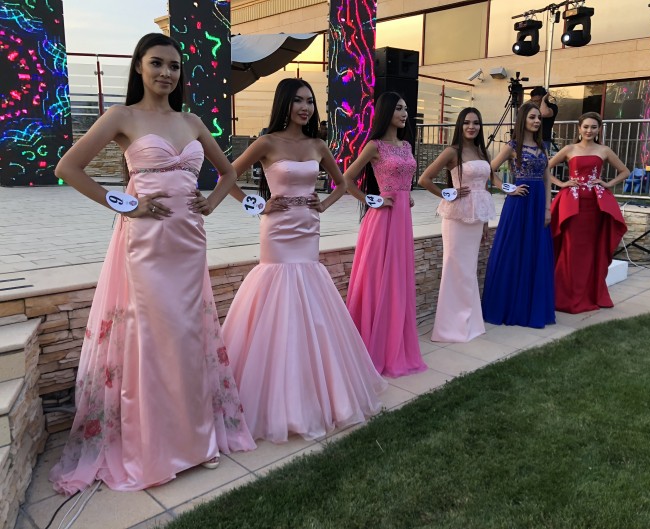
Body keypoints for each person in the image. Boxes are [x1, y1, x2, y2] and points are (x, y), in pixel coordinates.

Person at [49, 33, 255, 494]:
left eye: (174, 66)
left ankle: (197, 441)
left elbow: (229, 172)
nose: (166, 73)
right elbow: (68, 168)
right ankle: (154, 448)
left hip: (189, 242)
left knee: (188, 337)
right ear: (139, 66)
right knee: (152, 339)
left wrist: (211, 203)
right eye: (157, 63)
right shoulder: (121, 117)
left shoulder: (192, 121)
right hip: (146, 242)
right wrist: (127, 204)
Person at [220, 78, 386, 443]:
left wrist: (322, 205)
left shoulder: (317, 145)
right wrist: (255, 204)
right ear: (285, 103)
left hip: (308, 228)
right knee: (276, 293)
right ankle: (269, 395)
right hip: (277, 229)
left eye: (310, 101)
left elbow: (343, 183)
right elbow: (227, 175)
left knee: (309, 297)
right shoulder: (266, 142)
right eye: (298, 100)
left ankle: (314, 393)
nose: (305, 107)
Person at [343, 92, 427, 377]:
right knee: (379, 278)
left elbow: (404, 180)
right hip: (382, 219)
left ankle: (394, 342)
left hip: (402, 218)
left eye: (406, 109)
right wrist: (371, 200)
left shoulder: (406, 145)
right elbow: (346, 179)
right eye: (399, 108)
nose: (404, 113)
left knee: (398, 278)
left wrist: (406, 195)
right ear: (387, 111)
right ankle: (373, 343)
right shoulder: (374, 146)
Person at [418, 108, 496, 343]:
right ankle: (450, 327)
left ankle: (470, 323)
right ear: (460, 125)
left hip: (476, 219)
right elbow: (424, 179)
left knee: (469, 270)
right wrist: (447, 193)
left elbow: (485, 186)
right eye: (467, 122)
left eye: (476, 123)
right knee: (455, 270)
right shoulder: (452, 151)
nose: (472, 127)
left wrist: (484, 222)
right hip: (456, 219)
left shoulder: (482, 151)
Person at [482, 102, 555, 329]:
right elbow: (488, 170)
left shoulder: (542, 147)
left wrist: (548, 208)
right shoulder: (512, 146)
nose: (537, 121)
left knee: (535, 252)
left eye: (538, 118)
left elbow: (547, 180)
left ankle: (532, 306)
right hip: (519, 204)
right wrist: (507, 188)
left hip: (538, 205)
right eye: (532, 117)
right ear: (523, 119)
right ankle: (508, 305)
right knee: (513, 251)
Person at [549, 112, 629, 313]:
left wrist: (607, 184)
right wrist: (562, 183)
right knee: (571, 249)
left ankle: (589, 295)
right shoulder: (569, 149)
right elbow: (544, 168)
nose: (589, 130)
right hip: (572, 204)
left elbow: (625, 171)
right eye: (585, 126)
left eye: (594, 127)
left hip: (594, 206)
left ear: (599, 129)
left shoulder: (604, 150)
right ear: (579, 128)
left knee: (590, 251)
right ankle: (565, 296)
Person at [530, 87, 558, 153]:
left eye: (537, 101)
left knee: (542, 158)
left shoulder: (552, 107)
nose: (535, 103)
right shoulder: (531, 107)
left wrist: (543, 100)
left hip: (544, 140)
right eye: (533, 101)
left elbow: (544, 113)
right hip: (530, 139)